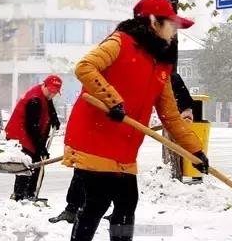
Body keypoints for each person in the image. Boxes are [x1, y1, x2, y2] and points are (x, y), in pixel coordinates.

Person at [58, 0, 208, 241]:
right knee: (96, 204)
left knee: (127, 203)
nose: (174, 31)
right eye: (171, 25)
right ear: (153, 22)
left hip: (125, 145)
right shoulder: (120, 42)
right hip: (93, 137)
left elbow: (170, 115)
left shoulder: (161, 63)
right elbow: (85, 67)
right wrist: (113, 100)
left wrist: (195, 151)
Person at [48, 70, 195, 224]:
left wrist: (186, 109)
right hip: (100, 123)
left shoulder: (153, 68)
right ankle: (73, 209)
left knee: (121, 174)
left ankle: (118, 213)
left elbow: (169, 79)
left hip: (126, 129)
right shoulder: (114, 65)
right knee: (85, 169)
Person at [5, 75, 62, 201]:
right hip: (21, 135)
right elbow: (31, 127)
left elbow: (48, 102)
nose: (52, 95)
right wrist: (41, 148)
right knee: (27, 166)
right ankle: (21, 197)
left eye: (55, 93)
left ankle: (28, 195)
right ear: (44, 85)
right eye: (50, 91)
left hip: (27, 133)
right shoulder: (34, 99)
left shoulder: (43, 94)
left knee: (35, 166)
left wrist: (53, 116)